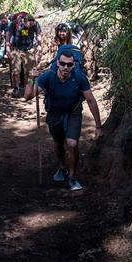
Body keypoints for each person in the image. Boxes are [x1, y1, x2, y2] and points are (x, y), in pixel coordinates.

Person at [24, 51, 102, 191]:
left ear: (73, 65)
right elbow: (28, 96)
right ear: (57, 63)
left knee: (72, 144)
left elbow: (90, 100)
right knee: (59, 143)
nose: (66, 67)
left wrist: (98, 126)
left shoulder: (79, 77)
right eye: (63, 63)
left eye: (69, 64)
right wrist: (31, 78)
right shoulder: (48, 76)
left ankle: (72, 176)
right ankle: (62, 167)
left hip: (73, 112)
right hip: (54, 114)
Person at [6, 13, 41, 97]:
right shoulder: (15, 23)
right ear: (25, 21)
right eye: (30, 24)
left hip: (29, 49)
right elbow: (8, 34)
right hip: (16, 49)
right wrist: (7, 48)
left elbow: (38, 35)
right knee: (16, 71)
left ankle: (29, 87)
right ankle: (16, 88)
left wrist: (40, 45)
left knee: (31, 71)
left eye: (32, 24)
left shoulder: (35, 24)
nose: (31, 26)